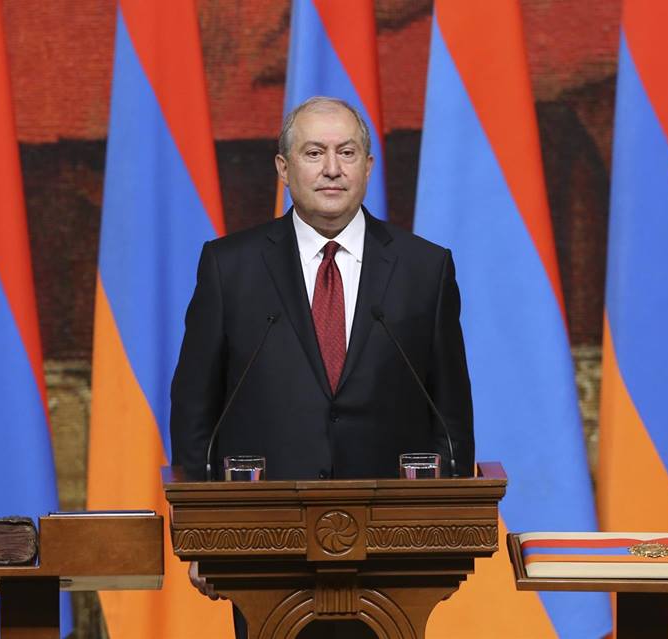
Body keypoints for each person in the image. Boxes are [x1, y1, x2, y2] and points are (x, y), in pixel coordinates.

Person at [169, 96, 474, 635]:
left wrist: (447, 533)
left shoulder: (425, 268)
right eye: (314, 153)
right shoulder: (229, 266)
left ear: (368, 167)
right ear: (284, 168)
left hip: (393, 551)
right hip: (262, 545)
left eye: (346, 152)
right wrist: (202, 533)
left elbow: (450, 414)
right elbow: (195, 408)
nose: (332, 168)